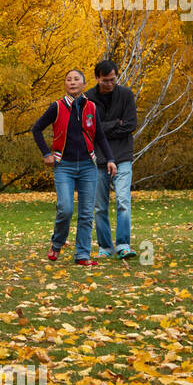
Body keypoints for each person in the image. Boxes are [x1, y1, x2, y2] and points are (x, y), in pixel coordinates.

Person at [31, 69, 116, 265]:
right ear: (65, 84)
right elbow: (36, 128)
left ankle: (82, 255)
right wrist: (46, 153)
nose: (72, 82)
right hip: (64, 166)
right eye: (68, 79)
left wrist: (110, 158)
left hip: (88, 166)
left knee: (86, 214)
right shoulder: (57, 107)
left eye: (76, 79)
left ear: (84, 84)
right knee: (66, 209)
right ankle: (57, 243)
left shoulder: (92, 108)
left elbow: (100, 136)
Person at [88, 60, 138, 259]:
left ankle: (123, 244)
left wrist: (103, 128)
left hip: (122, 155)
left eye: (113, 80)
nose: (109, 84)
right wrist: (114, 125)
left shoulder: (126, 95)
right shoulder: (88, 99)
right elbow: (90, 129)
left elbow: (130, 125)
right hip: (98, 158)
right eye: (105, 80)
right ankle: (105, 247)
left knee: (123, 200)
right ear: (97, 78)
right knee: (100, 205)